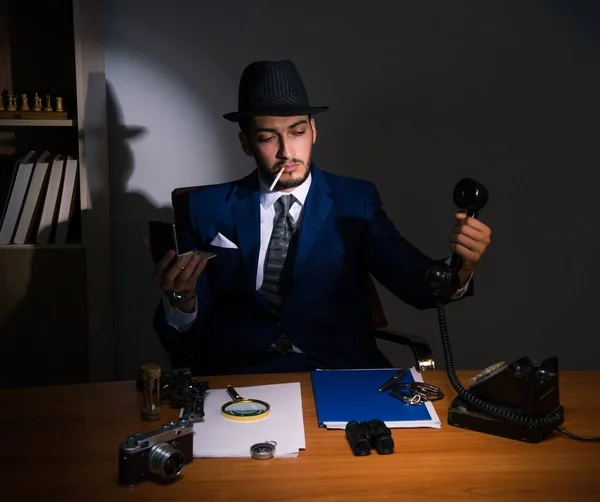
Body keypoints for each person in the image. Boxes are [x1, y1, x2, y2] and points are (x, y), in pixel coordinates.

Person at [147, 60, 492, 376]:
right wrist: (181, 299)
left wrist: (462, 267)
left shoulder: (355, 200)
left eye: (297, 132)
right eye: (268, 137)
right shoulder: (206, 209)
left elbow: (416, 284)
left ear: (313, 130)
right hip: (243, 376)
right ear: (246, 143)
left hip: (339, 369)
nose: (286, 151)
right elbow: (182, 342)